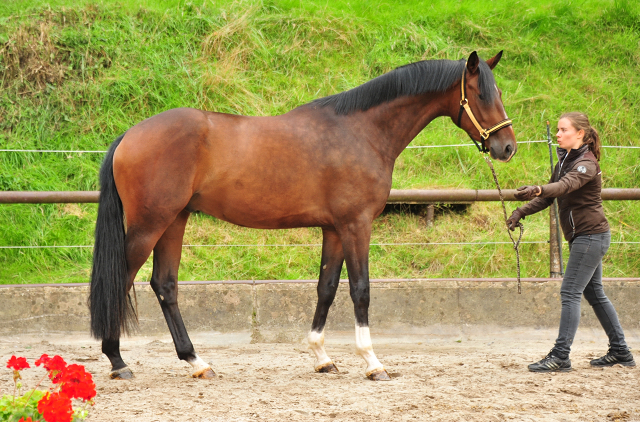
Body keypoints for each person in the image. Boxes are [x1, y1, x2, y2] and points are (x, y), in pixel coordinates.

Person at [507, 112, 635, 372]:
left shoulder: (586, 163)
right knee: (594, 293)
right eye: (557, 129)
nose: (558, 134)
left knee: (570, 292)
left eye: (563, 130)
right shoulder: (565, 160)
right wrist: (520, 211)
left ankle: (561, 355)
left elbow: (565, 186)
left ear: (580, 134)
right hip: (586, 237)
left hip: (590, 237)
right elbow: (548, 197)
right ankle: (621, 351)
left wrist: (539, 187)